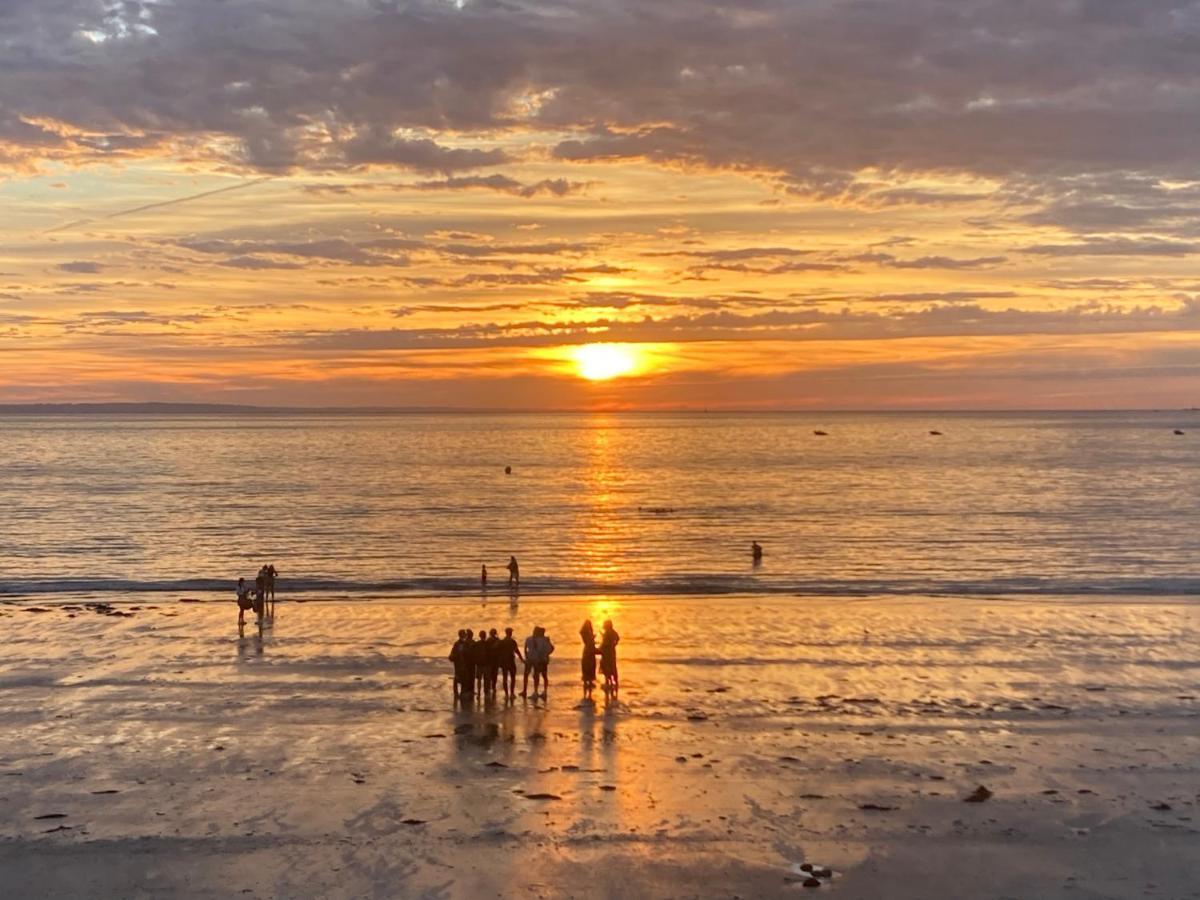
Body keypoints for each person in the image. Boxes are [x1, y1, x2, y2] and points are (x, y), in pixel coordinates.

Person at [522, 626, 554, 699]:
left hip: (532, 659)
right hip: (540, 659)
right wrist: (547, 654)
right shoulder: (545, 640)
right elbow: (552, 648)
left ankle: (531, 691)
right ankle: (543, 692)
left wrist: (526, 655)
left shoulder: (530, 639)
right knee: (542, 675)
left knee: (532, 675)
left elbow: (525, 648)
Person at [497, 627, 522, 699]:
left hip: (504, 662)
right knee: (513, 677)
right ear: (510, 633)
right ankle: (512, 693)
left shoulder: (502, 641)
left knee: (505, 677)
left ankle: (506, 694)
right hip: (511, 661)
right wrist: (521, 659)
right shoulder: (512, 641)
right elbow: (517, 651)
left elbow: (497, 651)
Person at [599, 619, 620, 692]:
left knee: (606, 667)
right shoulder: (613, 632)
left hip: (606, 653)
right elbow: (618, 638)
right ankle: (615, 682)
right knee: (612, 666)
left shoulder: (607, 633)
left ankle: (608, 683)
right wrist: (614, 644)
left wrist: (599, 649)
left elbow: (604, 643)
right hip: (612, 652)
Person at [580, 620, 598, 696]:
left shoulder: (585, 635)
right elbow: (591, 644)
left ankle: (586, 682)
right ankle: (589, 682)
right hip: (590, 653)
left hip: (587, 652)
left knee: (586, 667)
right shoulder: (588, 635)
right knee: (590, 667)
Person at [449, 630, 468, 700]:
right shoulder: (461, 644)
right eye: (464, 634)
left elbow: (452, 654)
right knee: (460, 678)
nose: (465, 635)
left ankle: (457, 693)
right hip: (460, 664)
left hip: (459, 664)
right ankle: (458, 693)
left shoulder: (457, 643)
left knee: (459, 677)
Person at [472, 629, 490, 697]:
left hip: (479, 664)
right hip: (486, 664)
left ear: (480, 636)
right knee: (486, 679)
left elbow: (472, 652)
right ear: (485, 636)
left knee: (479, 679)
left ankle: (479, 693)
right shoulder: (488, 644)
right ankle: (485, 692)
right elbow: (491, 654)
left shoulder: (476, 644)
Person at [485, 628, 501, 696]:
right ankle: (493, 687)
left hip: (490, 660)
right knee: (494, 674)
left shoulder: (489, 640)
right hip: (495, 660)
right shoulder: (497, 640)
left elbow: (486, 649)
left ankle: (490, 687)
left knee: (490, 675)